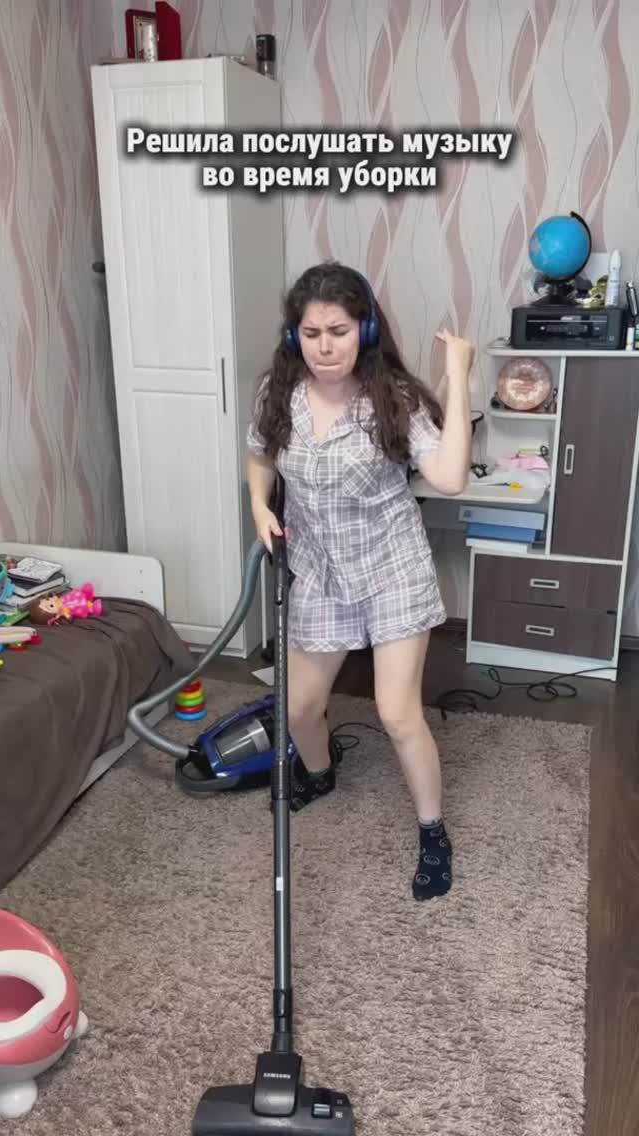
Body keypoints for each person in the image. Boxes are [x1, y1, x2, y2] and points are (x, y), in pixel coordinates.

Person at [246, 262, 474, 902]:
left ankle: (433, 831)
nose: (324, 347)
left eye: (339, 331)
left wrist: (459, 373)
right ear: (294, 336)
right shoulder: (279, 393)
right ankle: (320, 772)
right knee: (297, 708)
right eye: (311, 333)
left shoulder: (392, 398)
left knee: (397, 713)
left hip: (391, 569)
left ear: (365, 330)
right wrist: (260, 505)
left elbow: (451, 476)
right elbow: (260, 454)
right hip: (320, 569)